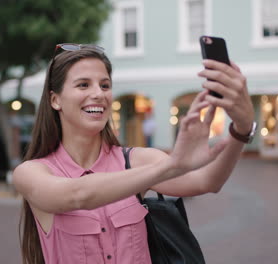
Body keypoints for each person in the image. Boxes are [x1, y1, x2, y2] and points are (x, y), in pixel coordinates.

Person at [13, 43, 255, 264]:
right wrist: (170, 166)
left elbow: (207, 181)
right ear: (55, 100)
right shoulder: (32, 172)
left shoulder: (135, 160)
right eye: (83, 84)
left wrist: (241, 129)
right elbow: (77, 195)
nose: (99, 93)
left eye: (105, 85)